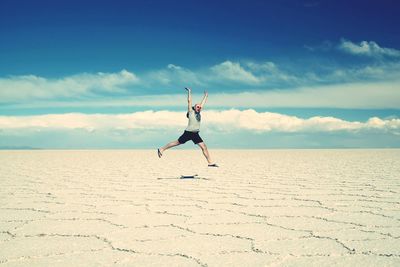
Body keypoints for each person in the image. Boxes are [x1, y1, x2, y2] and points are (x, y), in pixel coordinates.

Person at [157, 87, 218, 167]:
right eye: (197, 107)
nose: (199, 107)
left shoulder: (198, 113)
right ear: (194, 108)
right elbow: (189, 101)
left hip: (196, 134)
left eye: (200, 107)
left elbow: (203, 103)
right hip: (188, 133)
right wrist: (189, 91)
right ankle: (162, 149)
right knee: (177, 142)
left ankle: (210, 162)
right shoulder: (191, 112)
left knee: (204, 147)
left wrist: (206, 96)